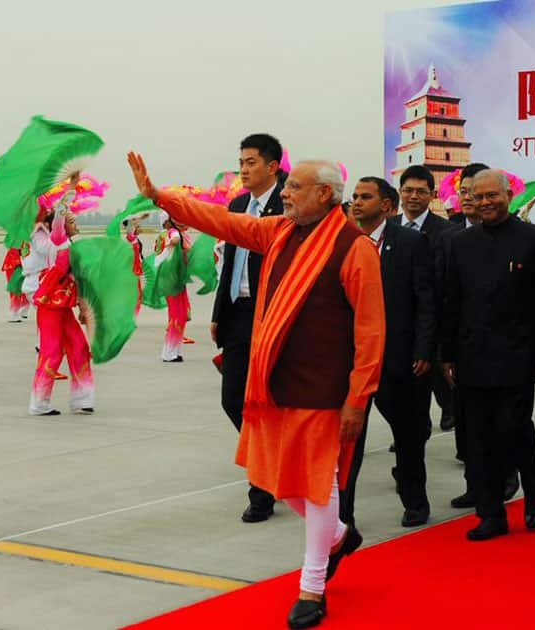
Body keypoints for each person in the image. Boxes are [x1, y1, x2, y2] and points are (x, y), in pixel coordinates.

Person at [130, 153, 384, 628]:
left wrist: (358, 397)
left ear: (324, 195)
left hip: (324, 388)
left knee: (319, 485)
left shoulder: (355, 249)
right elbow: (223, 221)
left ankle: (312, 587)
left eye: (295, 187)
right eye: (286, 187)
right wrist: (159, 197)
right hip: (271, 383)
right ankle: (340, 535)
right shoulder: (278, 233)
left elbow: (372, 333)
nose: (284, 193)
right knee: (274, 477)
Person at [442, 169, 535, 541]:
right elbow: (451, 301)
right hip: (471, 355)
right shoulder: (460, 243)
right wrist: (447, 355)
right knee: (478, 439)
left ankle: (533, 486)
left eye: (494, 195)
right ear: (471, 200)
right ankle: (490, 513)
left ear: (509, 196)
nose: (487, 202)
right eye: (480, 197)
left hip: (519, 355)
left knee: (512, 429)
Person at [348, 177, 435, 527]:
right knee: (349, 443)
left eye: (365, 197)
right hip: (354, 362)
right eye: (354, 196)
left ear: (386, 205)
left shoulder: (411, 242)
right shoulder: (343, 243)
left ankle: (415, 501)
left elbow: (425, 300)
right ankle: (343, 515)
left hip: (399, 358)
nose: (356, 202)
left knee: (409, 436)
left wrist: (423, 348)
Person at [212, 133, 284, 523]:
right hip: (239, 314)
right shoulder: (238, 205)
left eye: (251, 162)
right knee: (234, 401)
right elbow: (228, 265)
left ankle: (263, 489)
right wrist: (218, 312)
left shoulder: (290, 203)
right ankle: (269, 469)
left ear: (273, 166)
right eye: (241, 161)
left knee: (271, 403)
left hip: (274, 315)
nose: (242, 169)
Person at [392, 165, 457, 433]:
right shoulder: (389, 226)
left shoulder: (447, 231)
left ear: (432, 195)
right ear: (399, 193)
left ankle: (450, 410)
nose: (413, 197)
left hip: (436, 316)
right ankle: (412, 429)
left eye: (421, 191)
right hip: (401, 318)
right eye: (408, 191)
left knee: (440, 376)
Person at [29, 210, 94, 416]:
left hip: (64, 307)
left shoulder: (74, 245)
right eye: (70, 220)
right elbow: (57, 223)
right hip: (50, 306)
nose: (74, 222)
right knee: (52, 352)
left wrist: (83, 308)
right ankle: (39, 402)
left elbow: (82, 279)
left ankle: (82, 398)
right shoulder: (56, 242)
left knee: (80, 347)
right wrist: (66, 197)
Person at [156, 214, 192, 363]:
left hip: (174, 279)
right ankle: (169, 352)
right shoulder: (172, 232)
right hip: (173, 280)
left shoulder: (164, 234)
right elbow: (175, 238)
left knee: (180, 314)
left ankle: (174, 350)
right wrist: (173, 242)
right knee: (177, 315)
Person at [2, 242, 30, 323]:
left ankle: (15, 311)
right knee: (23, 286)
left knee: (17, 287)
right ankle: (23, 308)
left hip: (19, 262)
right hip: (19, 261)